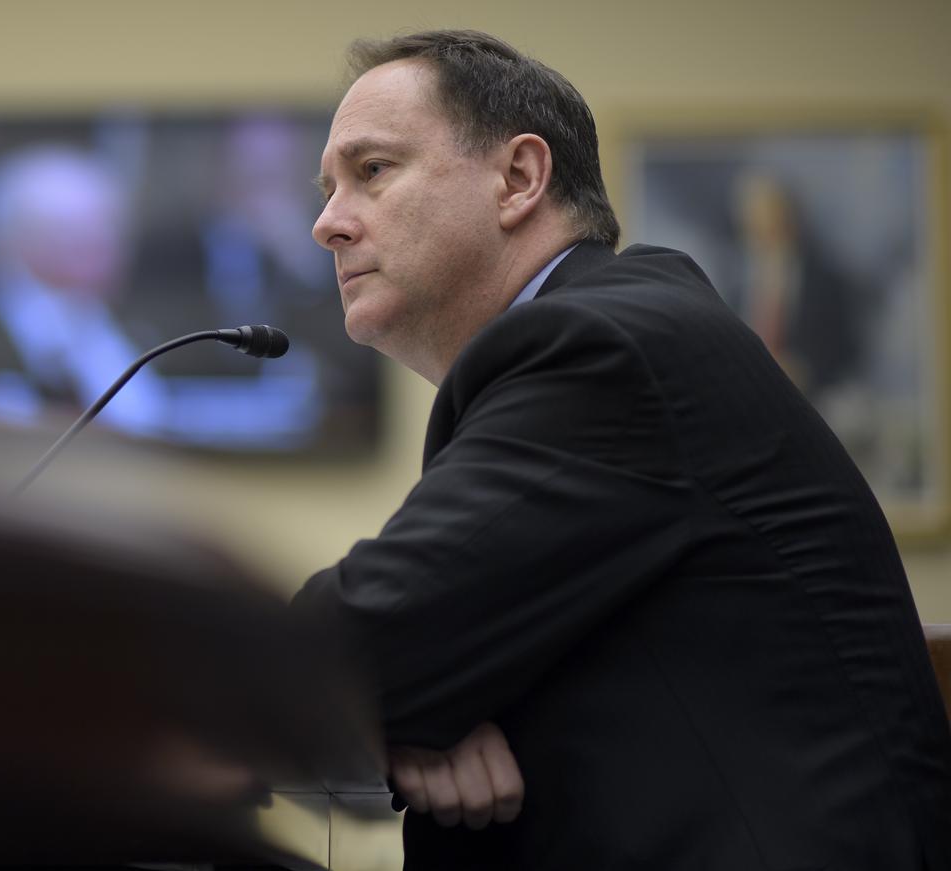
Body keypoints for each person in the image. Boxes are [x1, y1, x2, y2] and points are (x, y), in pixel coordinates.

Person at [290, 30, 951, 869]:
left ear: (519, 179)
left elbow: (349, 645)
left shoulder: (602, 348)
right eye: (328, 188)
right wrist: (416, 708)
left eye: (371, 171)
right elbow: (401, 645)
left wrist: (403, 699)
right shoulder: (617, 329)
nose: (326, 224)